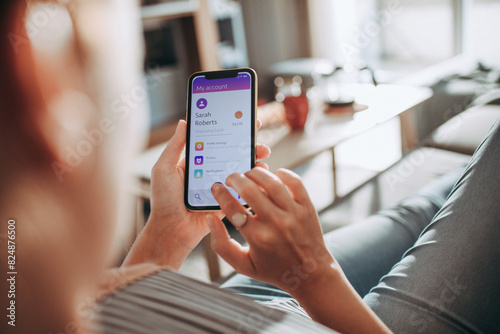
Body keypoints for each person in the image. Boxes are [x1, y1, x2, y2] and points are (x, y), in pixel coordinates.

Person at [1, 1, 499, 333]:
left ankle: (448, 182)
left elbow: (109, 311)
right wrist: (315, 276)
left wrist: (166, 238)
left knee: (417, 210)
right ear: (48, 81)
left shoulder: (30, 309)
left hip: (243, 302)